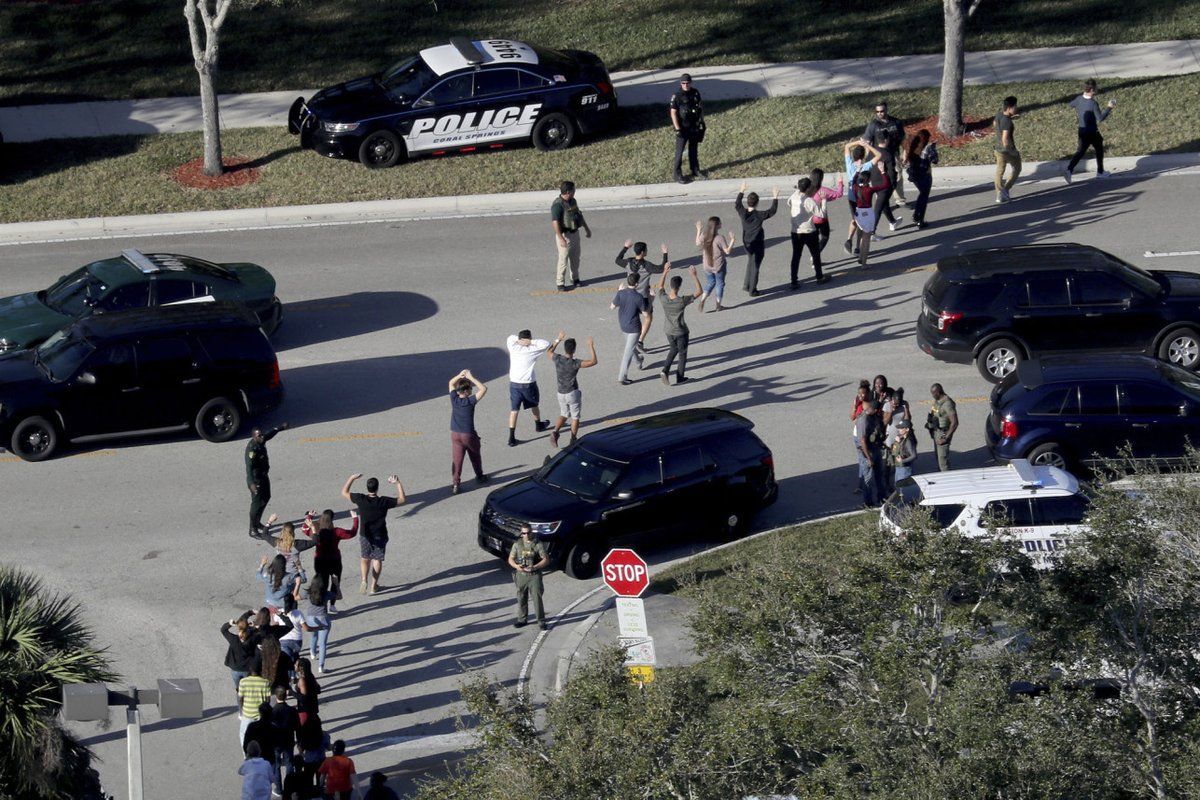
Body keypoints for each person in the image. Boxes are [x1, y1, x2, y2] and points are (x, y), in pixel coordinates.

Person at [342, 473, 405, 594]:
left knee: (365, 558)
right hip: (380, 535)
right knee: (377, 560)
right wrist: (397, 483)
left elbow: (344, 492)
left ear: (367, 488)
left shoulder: (361, 499)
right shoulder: (383, 501)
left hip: (365, 534)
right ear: (377, 488)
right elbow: (402, 499)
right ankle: (373, 586)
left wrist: (352, 478)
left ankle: (364, 579)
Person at [547, 332, 598, 447]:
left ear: (565, 348)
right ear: (574, 350)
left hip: (560, 392)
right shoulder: (575, 363)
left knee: (564, 414)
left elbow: (549, 352)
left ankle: (555, 432)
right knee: (575, 417)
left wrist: (558, 339)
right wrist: (590, 345)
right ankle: (573, 439)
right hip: (572, 393)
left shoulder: (558, 359)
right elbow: (593, 361)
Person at [615, 241, 668, 353]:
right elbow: (661, 268)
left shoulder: (628, 262)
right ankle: (639, 341)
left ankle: (634, 339)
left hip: (630, 294)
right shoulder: (647, 266)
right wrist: (665, 254)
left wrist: (625, 247)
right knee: (648, 317)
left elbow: (617, 260)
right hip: (643, 297)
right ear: (643, 252)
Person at [303, 509, 358, 611]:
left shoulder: (316, 530)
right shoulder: (337, 532)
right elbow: (352, 533)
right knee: (335, 582)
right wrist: (355, 518)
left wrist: (309, 516)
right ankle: (332, 605)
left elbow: (304, 529)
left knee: (321, 583)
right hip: (334, 561)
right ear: (332, 519)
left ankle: (321, 604)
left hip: (320, 560)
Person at [657, 263, 702, 386]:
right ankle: (680, 377)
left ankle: (665, 370)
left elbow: (660, 286)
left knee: (673, 349)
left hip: (668, 330)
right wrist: (694, 276)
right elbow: (699, 292)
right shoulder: (682, 301)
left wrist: (665, 271)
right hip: (681, 331)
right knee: (682, 353)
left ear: (670, 286)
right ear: (679, 286)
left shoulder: (663, 298)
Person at [505, 329, 552, 445]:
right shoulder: (532, 349)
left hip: (514, 384)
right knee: (534, 405)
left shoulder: (513, 347)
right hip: (528, 384)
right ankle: (538, 425)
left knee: (514, 410)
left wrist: (520, 341)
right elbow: (546, 343)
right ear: (529, 339)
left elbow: (510, 337)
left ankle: (511, 438)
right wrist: (530, 342)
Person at [1064, 79, 1115, 182]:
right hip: (1092, 132)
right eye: (1096, 88)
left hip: (1082, 131)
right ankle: (1100, 172)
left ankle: (1069, 170)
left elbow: (1071, 104)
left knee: (1080, 152)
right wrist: (1109, 108)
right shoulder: (1093, 103)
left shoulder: (1079, 99)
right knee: (1099, 149)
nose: (1097, 90)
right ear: (1091, 89)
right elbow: (1100, 118)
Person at [447, 369, 488, 494]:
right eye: (470, 388)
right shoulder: (470, 401)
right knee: (475, 455)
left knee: (457, 460)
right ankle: (480, 476)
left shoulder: (454, 399)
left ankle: (455, 484)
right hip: (468, 434)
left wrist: (459, 375)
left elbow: (451, 383)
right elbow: (483, 389)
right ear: (466, 391)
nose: (472, 390)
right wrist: (471, 377)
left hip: (455, 434)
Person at [734, 182, 779, 296]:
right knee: (755, 266)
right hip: (757, 244)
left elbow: (737, 204)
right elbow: (772, 211)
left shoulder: (743, 213)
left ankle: (746, 284)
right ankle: (752, 290)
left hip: (746, 243)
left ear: (748, 202)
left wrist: (741, 190)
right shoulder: (759, 215)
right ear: (757, 203)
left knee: (750, 261)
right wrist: (775, 197)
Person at [245, 423, 289, 538]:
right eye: (259, 435)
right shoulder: (252, 450)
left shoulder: (261, 441)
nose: (262, 437)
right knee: (256, 504)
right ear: (254, 437)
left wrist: (279, 428)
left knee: (266, 498)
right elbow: (249, 468)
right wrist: (251, 484)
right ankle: (252, 529)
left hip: (263, 476)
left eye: (261, 434)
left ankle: (257, 522)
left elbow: (268, 435)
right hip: (256, 480)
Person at [863, 100, 907, 205]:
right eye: (877, 112)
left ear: (886, 110)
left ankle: (900, 200)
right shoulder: (873, 125)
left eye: (882, 111)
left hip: (893, 153)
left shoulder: (896, 122)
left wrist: (904, 152)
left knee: (898, 175)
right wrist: (867, 159)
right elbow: (867, 142)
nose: (880, 113)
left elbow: (902, 139)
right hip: (878, 155)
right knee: (880, 179)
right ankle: (881, 202)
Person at [787, 177, 827, 289]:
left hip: (795, 231)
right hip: (809, 231)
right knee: (815, 254)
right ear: (808, 188)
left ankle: (794, 281)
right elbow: (821, 214)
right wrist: (823, 200)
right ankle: (819, 277)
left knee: (796, 256)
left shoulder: (793, 197)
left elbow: (788, 203)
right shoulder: (809, 201)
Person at [842, 139, 881, 255]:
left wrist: (858, 142)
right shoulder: (866, 166)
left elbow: (847, 146)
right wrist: (867, 144)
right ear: (863, 157)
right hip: (862, 197)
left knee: (855, 218)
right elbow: (878, 155)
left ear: (854, 156)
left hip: (851, 196)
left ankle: (849, 239)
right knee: (862, 223)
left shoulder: (849, 165)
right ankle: (858, 247)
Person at [508, 525, 551, 629]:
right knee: (521, 598)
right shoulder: (517, 544)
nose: (526, 535)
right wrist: (516, 566)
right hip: (521, 575)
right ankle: (522, 619)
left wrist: (535, 567)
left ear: (531, 532)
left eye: (528, 533)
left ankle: (541, 621)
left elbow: (546, 559)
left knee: (537, 598)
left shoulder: (537, 544)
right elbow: (510, 559)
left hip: (534, 576)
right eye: (523, 533)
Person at [551, 181, 591, 291]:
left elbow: (579, 215)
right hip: (565, 235)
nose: (575, 192)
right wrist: (561, 238)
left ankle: (575, 279)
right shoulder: (557, 205)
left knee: (575, 258)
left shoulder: (573, 201)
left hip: (575, 233)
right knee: (563, 260)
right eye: (574, 190)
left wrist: (586, 228)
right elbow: (555, 223)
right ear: (568, 192)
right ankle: (560, 283)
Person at [611, 273, 650, 386]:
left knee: (630, 347)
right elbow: (646, 315)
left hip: (623, 325)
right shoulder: (638, 297)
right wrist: (651, 298)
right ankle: (622, 377)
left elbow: (612, 306)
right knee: (627, 352)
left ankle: (638, 362)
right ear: (637, 284)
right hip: (634, 327)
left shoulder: (621, 293)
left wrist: (618, 291)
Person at [669, 73, 707, 184]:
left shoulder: (695, 93)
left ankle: (695, 170)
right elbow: (673, 113)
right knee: (679, 152)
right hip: (683, 128)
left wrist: (702, 121)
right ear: (680, 83)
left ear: (691, 83)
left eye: (687, 83)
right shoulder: (677, 96)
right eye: (683, 83)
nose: (685, 85)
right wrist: (677, 128)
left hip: (694, 126)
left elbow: (700, 107)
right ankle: (677, 174)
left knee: (693, 150)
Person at [851, 168, 890, 267]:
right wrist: (883, 172)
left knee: (861, 237)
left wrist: (857, 171)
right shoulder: (870, 189)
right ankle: (864, 264)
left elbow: (853, 181)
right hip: (867, 214)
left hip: (858, 213)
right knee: (866, 240)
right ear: (868, 180)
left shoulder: (855, 187)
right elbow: (886, 184)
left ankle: (860, 258)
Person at [696, 217, 735, 311]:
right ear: (717, 226)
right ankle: (718, 305)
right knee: (719, 284)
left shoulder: (704, 235)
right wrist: (733, 240)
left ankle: (702, 300)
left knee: (710, 282)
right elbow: (727, 251)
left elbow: (697, 242)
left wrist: (698, 230)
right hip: (718, 266)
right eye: (720, 223)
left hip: (707, 266)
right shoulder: (719, 238)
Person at [904, 129, 938, 228]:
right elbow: (935, 160)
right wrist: (934, 149)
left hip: (914, 174)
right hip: (925, 174)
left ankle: (916, 215)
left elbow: (906, 159)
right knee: (924, 197)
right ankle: (920, 219)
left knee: (921, 194)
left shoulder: (911, 146)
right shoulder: (928, 147)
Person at [300, 574, 333, 674]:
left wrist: (297, 585)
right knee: (322, 644)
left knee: (313, 636)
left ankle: (313, 653)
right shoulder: (326, 594)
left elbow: (297, 597)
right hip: (323, 619)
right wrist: (336, 584)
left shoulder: (308, 593)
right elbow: (338, 596)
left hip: (311, 619)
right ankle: (321, 667)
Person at [870, 130, 902, 232]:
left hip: (874, 183)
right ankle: (872, 232)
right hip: (885, 184)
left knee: (884, 203)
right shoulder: (888, 154)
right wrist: (893, 184)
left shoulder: (872, 152)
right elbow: (892, 173)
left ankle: (893, 222)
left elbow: (868, 166)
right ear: (886, 140)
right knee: (878, 208)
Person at [221, 612, 260, 696]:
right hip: (247, 669)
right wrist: (255, 627)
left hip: (235, 668)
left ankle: (241, 704)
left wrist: (229, 624)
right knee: (248, 689)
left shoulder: (234, 640)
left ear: (238, 628)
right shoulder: (252, 639)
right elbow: (258, 633)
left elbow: (223, 630)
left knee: (239, 690)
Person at [854, 400, 884, 507]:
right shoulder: (863, 420)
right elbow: (862, 440)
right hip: (867, 452)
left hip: (875, 449)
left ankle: (882, 498)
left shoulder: (873, 416)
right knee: (868, 479)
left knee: (879, 475)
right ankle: (868, 502)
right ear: (874, 409)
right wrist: (868, 458)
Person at [270, 685, 299, 795]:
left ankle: (279, 788)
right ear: (286, 696)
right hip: (289, 739)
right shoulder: (291, 710)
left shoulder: (273, 712)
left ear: (276, 696)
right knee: (289, 763)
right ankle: (289, 786)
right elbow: (297, 726)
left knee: (276, 765)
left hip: (276, 742)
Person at [809, 169, 844, 254]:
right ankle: (815, 256)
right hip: (821, 219)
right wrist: (840, 182)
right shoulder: (823, 190)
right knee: (825, 237)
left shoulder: (807, 189)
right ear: (821, 179)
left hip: (809, 219)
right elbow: (838, 194)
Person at [994, 96, 1021, 203]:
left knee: (1000, 171)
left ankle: (999, 194)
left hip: (997, 149)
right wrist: (1011, 150)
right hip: (1007, 150)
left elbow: (995, 124)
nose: (1016, 108)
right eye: (1015, 106)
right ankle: (1005, 189)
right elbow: (1005, 138)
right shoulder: (1007, 122)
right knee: (1017, 168)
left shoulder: (999, 115)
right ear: (1009, 108)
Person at [237, 666, 273, 746]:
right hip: (261, 715)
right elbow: (268, 700)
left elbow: (240, 698)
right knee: (261, 735)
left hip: (247, 714)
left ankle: (246, 754)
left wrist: (241, 712)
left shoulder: (243, 682)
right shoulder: (265, 682)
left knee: (243, 734)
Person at [928, 383, 959, 471]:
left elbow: (955, 423)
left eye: (933, 393)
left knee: (943, 462)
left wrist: (945, 437)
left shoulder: (947, 404)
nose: (932, 395)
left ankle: (946, 478)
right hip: (936, 431)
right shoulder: (938, 402)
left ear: (938, 392)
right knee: (938, 457)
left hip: (943, 433)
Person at [887, 419, 919, 487]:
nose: (899, 430)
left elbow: (914, 455)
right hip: (899, 467)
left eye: (901, 428)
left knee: (902, 488)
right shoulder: (902, 438)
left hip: (904, 469)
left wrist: (902, 460)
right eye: (899, 428)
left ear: (907, 429)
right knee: (898, 486)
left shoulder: (908, 441)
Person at [292, 657, 321, 727]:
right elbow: (318, 689)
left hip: (305, 711)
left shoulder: (302, 680)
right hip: (313, 708)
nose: (294, 665)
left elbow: (303, 698)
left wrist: (291, 692)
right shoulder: (310, 676)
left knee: (305, 731)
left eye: (296, 665)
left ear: (300, 668)